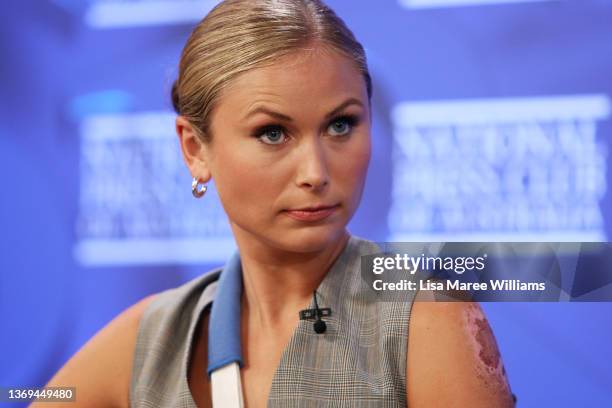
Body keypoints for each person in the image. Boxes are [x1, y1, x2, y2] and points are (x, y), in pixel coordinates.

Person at [37, 0, 516, 407]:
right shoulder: (154, 336)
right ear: (194, 149)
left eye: (341, 125)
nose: (315, 172)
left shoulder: (424, 316)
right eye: (273, 133)